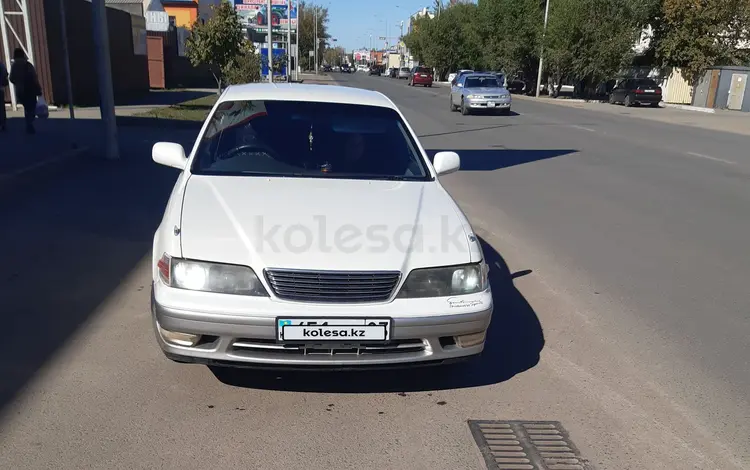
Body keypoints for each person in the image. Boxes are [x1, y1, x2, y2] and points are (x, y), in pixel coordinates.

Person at [9, 48, 41, 134]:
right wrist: (38, 87)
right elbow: (34, 77)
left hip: (20, 91)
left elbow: (11, 78)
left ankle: (28, 123)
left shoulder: (14, 66)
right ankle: (30, 122)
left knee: (27, 107)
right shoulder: (28, 65)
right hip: (30, 89)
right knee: (32, 107)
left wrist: (18, 82)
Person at [0, 60, 8, 131]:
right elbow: (6, 74)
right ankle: (3, 123)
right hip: (0, 89)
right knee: (1, 107)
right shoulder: (1, 65)